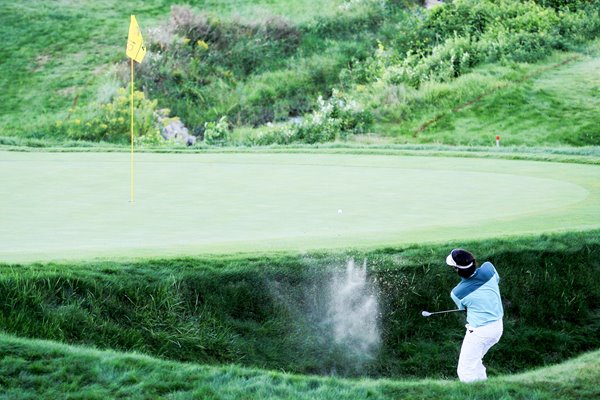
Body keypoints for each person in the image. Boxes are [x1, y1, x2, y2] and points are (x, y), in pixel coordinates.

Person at [446, 248, 504, 383]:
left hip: (480, 333)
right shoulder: (489, 268)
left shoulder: (457, 293)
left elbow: (464, 308)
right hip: (497, 327)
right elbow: (497, 280)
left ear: (457, 270)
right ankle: (484, 390)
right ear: (474, 261)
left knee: (465, 370)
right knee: (475, 363)